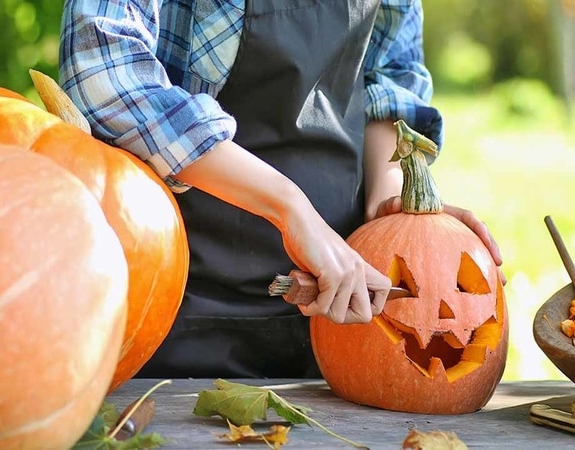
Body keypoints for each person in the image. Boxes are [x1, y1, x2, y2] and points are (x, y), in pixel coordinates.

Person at [59, 0, 504, 378]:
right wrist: (290, 207)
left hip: (341, 310)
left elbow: (391, 75)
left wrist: (388, 209)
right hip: (172, 309)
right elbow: (105, 74)